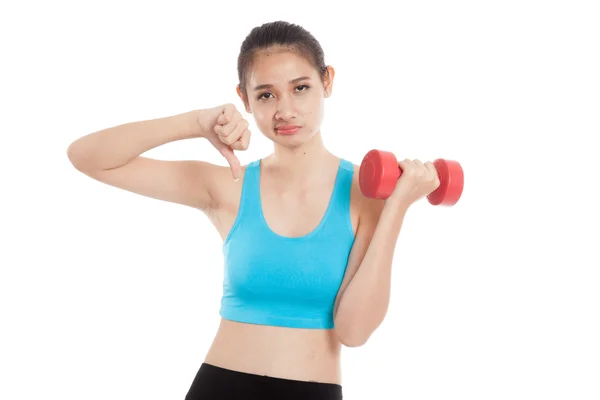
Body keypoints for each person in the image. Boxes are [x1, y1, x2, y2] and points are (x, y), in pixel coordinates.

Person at [67, 20, 440, 400]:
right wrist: (195, 123)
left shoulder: (366, 195)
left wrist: (396, 208)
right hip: (219, 386)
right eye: (265, 95)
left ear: (326, 81)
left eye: (300, 88)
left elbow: (354, 331)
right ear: (244, 99)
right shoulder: (228, 187)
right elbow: (89, 158)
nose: (285, 110)